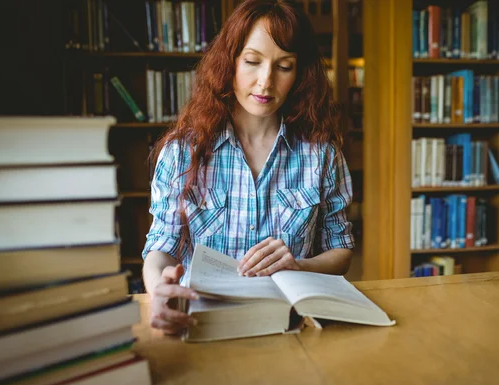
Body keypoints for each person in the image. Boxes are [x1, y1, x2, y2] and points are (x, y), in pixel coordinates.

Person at [142, 0, 355, 335]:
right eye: (253, 62)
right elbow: (161, 247)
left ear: (300, 74)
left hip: (292, 331)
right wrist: (159, 289)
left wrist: (299, 265)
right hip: (202, 326)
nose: (265, 82)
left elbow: (341, 248)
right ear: (230, 64)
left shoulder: (322, 155)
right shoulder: (183, 152)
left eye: (284, 66)